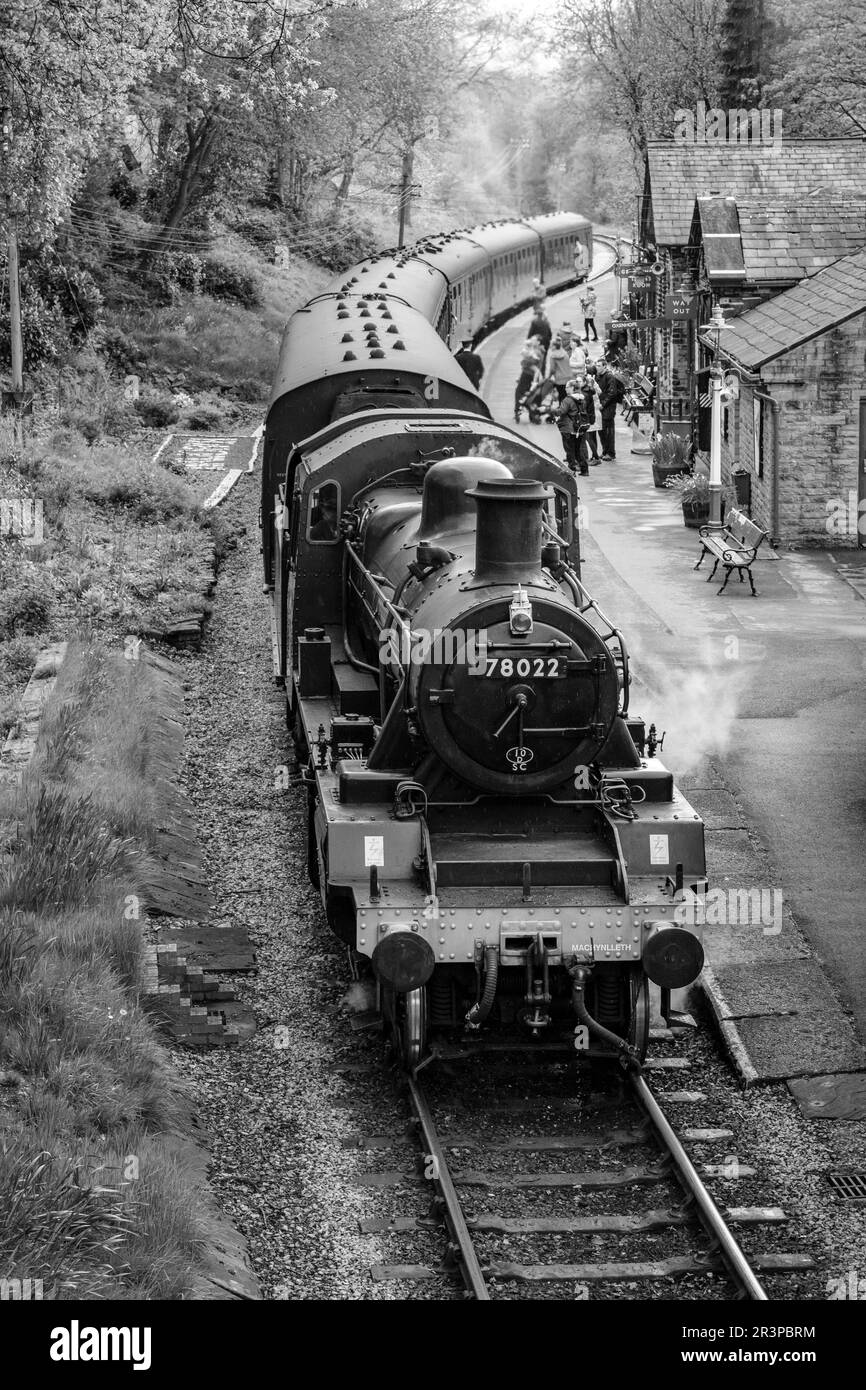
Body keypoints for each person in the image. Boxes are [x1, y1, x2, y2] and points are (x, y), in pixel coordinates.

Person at [554, 378, 589, 476]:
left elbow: (561, 412)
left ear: (572, 388)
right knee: (578, 450)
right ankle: (584, 470)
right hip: (579, 428)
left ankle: (571, 470)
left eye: (567, 387)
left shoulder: (568, 400)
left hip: (568, 428)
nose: (565, 389)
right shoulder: (582, 399)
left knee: (569, 450)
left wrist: (553, 410)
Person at [597, 362, 624, 461]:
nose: (597, 367)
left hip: (609, 407)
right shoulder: (599, 376)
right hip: (601, 406)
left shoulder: (609, 377)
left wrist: (603, 404)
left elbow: (612, 393)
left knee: (608, 431)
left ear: (604, 366)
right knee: (602, 430)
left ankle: (611, 453)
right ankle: (605, 451)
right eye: (596, 365)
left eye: (599, 365)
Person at [515, 350, 541, 423]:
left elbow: (537, 371)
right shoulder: (526, 363)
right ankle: (529, 414)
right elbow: (522, 371)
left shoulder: (528, 363)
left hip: (524, 385)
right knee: (526, 399)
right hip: (525, 384)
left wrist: (534, 381)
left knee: (519, 397)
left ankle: (517, 411)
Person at [582, 365, 601, 462]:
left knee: (590, 437)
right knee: (592, 437)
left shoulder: (589, 392)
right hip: (594, 414)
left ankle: (596, 457)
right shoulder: (593, 390)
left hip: (592, 415)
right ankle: (594, 456)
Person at [546, 335, 572, 402]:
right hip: (568, 378)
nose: (550, 347)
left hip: (559, 380)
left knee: (561, 396)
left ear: (554, 346)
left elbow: (552, 369)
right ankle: (565, 409)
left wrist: (548, 378)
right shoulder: (564, 353)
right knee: (566, 396)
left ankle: (562, 410)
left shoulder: (553, 356)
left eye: (551, 345)